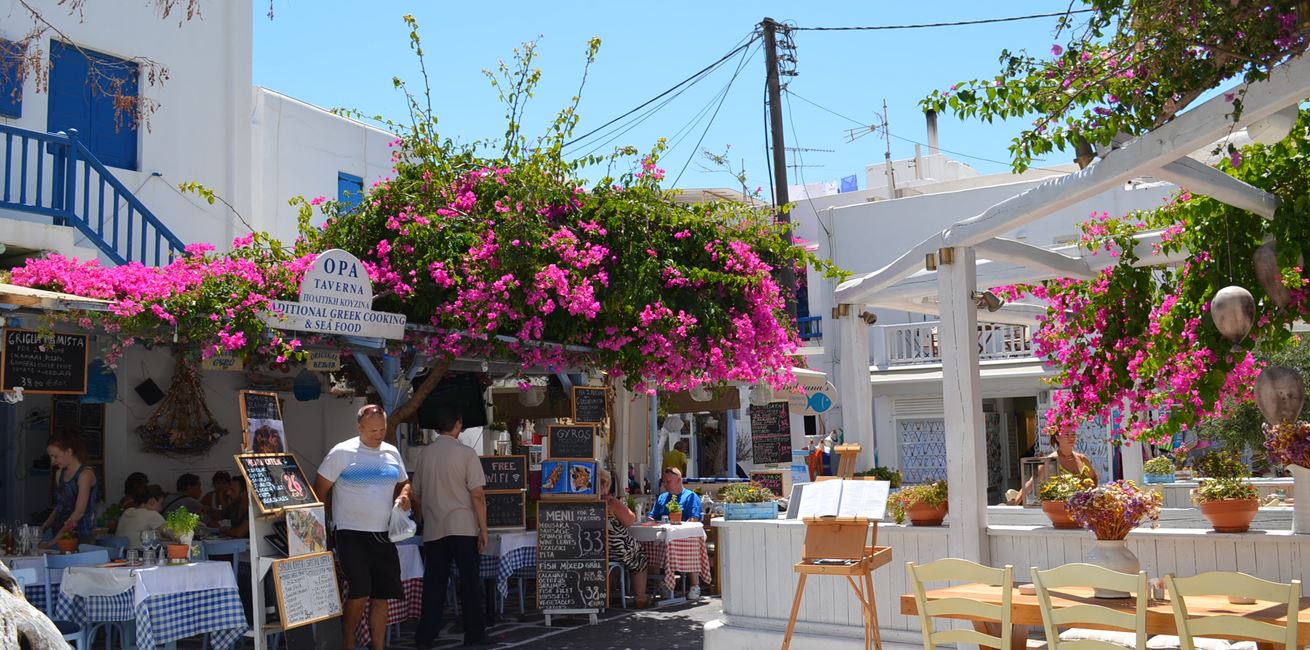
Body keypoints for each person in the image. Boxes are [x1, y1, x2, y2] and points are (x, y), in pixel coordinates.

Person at [314, 404, 411, 650]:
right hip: (351, 532)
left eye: (382, 429)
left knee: (382, 595)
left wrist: (405, 496)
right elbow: (320, 490)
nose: (378, 434)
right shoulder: (342, 452)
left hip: (383, 533)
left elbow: (404, 483)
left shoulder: (391, 452)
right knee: (359, 592)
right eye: (372, 430)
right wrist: (326, 526)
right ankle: (347, 641)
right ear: (359, 428)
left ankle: (377, 647)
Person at [410, 404, 489, 648]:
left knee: (434, 585)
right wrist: (483, 529)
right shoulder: (466, 453)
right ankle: (474, 634)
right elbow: (477, 495)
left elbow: (416, 493)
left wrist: (422, 518)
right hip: (463, 526)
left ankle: (426, 635)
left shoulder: (425, 454)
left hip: (435, 528)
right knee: (470, 583)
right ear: (458, 424)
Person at [647, 467, 704, 600]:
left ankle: (695, 585)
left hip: (684, 537)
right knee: (649, 547)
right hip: (663, 538)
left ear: (679, 480)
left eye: (668, 482)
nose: (665, 485)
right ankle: (661, 585)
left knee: (689, 547)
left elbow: (694, 519)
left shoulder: (690, 497)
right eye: (664, 482)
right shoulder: (662, 497)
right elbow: (652, 517)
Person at [597, 469, 649, 607]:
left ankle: (605, 598)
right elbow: (630, 520)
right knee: (639, 557)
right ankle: (641, 598)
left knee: (605, 562)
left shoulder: (585, 503)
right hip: (616, 547)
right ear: (605, 485)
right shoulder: (611, 503)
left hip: (595, 548)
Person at [1010, 429, 1101, 504]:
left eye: (1073, 434)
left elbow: (1094, 477)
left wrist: (1090, 499)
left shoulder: (1082, 458)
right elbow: (1031, 483)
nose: (1071, 437)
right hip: (1061, 509)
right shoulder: (1051, 460)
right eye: (1066, 434)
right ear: (1057, 437)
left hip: (1083, 509)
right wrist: (1014, 505)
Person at [40, 435, 99, 544]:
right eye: (51, 457)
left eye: (55, 456)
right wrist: (42, 529)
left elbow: (79, 513)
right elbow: (59, 507)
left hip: (80, 537)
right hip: (58, 534)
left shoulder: (85, 475)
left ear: (69, 452)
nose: (52, 461)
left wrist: (52, 542)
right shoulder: (59, 474)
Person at [117, 485, 166, 550]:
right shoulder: (151, 514)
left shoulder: (127, 511)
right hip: (140, 555)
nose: (161, 508)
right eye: (161, 504)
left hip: (122, 554)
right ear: (152, 501)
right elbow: (175, 535)